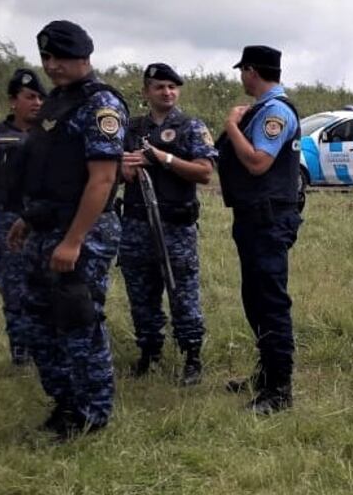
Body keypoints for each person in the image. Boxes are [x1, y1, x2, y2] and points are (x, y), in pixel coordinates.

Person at [7, 20, 128, 439]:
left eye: (59, 57)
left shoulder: (101, 104)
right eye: (46, 58)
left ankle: (92, 414)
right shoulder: (57, 102)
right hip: (46, 227)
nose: (52, 65)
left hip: (83, 233)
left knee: (78, 321)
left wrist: (73, 241)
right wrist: (28, 219)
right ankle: (65, 404)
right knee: (39, 322)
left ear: (83, 55)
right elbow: (48, 170)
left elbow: (100, 181)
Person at [216, 45, 302, 415]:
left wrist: (231, 127)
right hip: (254, 217)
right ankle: (266, 375)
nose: (241, 77)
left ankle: (279, 391)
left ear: (252, 71)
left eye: (243, 71)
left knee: (269, 301)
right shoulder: (263, 111)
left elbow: (257, 162)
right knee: (255, 299)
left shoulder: (275, 113)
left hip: (268, 219)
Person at [119, 63, 217, 385]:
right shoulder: (131, 128)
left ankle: (191, 356)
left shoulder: (190, 126)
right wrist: (125, 169)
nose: (167, 92)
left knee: (182, 292)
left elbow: (204, 172)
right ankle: (149, 352)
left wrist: (163, 159)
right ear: (147, 91)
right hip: (136, 225)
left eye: (173, 87)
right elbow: (109, 170)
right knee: (141, 294)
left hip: (175, 226)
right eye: (160, 87)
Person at [0, 68, 45, 366]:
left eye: (39, 97)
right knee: (13, 287)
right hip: (5, 217)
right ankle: (20, 349)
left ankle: (44, 347)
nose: (36, 102)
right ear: (13, 101)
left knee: (44, 285)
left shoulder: (48, 135)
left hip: (41, 218)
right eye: (29, 97)